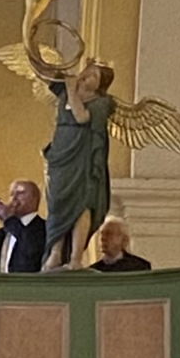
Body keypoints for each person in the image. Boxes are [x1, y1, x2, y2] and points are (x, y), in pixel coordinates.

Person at [42, 62, 116, 270]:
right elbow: (41, 71)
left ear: (100, 84)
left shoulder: (103, 103)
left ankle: (75, 257)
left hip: (83, 156)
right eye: (87, 71)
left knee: (82, 203)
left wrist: (71, 89)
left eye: (94, 76)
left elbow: (81, 117)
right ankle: (55, 253)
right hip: (61, 153)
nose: (86, 76)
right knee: (57, 203)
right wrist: (33, 44)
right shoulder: (64, 91)